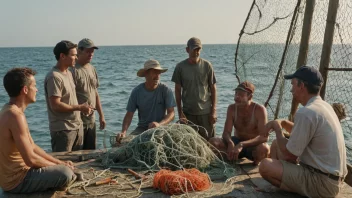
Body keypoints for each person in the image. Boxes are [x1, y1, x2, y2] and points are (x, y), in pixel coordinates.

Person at [259, 66, 347, 197]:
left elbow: (290, 155)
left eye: (293, 84)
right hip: (333, 181)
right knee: (277, 145)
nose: (291, 90)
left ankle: (291, 189)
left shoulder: (306, 112)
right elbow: (303, 132)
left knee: (264, 166)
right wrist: (283, 123)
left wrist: (277, 129)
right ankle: (291, 185)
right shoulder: (323, 106)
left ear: (302, 86)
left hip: (321, 183)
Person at [0, 68, 76, 193]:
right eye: (34, 86)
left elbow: (32, 147)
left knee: (64, 169)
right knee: (66, 173)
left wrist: (59, 162)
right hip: (17, 181)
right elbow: (30, 159)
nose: (37, 89)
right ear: (25, 90)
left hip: (14, 178)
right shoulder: (15, 116)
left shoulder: (9, 110)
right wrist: (60, 167)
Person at [44, 40, 94, 152]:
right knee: (63, 166)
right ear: (62, 56)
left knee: (78, 164)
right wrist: (80, 107)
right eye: (73, 55)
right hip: (63, 130)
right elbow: (55, 105)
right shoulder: (54, 77)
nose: (76, 58)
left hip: (76, 126)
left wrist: (84, 108)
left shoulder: (69, 73)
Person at [209, 81, 269, 165]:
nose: (236, 97)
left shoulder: (259, 110)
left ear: (250, 97)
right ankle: (231, 158)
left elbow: (264, 137)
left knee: (264, 148)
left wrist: (242, 144)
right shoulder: (232, 108)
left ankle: (255, 164)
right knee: (213, 142)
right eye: (236, 93)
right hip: (236, 142)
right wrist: (230, 143)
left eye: (241, 95)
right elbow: (226, 132)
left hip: (252, 146)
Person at [116, 59, 176, 142]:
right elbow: (129, 114)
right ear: (146, 74)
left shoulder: (165, 90)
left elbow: (171, 113)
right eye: (154, 72)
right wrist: (123, 132)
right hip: (142, 128)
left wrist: (159, 124)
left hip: (161, 128)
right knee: (124, 142)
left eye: (159, 72)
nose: (157, 76)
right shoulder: (137, 91)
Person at [171, 37, 217, 140]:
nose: (196, 52)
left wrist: (213, 111)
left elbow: (213, 88)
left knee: (210, 142)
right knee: (190, 143)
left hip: (206, 112)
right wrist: (180, 113)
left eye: (198, 49)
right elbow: (178, 91)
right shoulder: (180, 67)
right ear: (187, 50)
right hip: (188, 113)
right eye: (194, 49)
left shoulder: (207, 65)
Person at [71, 38, 106, 150]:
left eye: (92, 51)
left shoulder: (92, 68)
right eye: (88, 51)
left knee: (90, 153)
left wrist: (101, 115)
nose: (91, 54)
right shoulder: (72, 70)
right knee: (76, 154)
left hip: (91, 120)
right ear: (79, 51)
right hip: (77, 121)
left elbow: (95, 93)